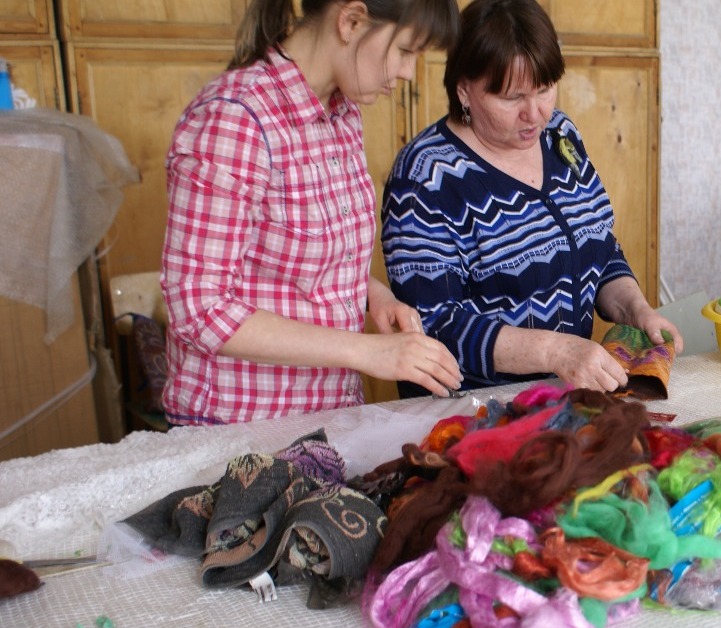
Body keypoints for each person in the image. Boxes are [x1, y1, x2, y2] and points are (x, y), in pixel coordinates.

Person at [161, 0, 464, 426]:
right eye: (405, 51)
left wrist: (374, 295)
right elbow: (199, 308)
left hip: (327, 416)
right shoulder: (235, 118)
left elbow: (295, 262)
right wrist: (367, 351)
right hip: (241, 427)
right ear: (351, 20)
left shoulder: (342, 112)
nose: (408, 73)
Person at [381, 0, 682, 395]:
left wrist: (636, 310)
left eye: (544, 90)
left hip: (562, 399)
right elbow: (434, 326)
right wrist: (554, 351)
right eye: (512, 98)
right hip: (470, 412)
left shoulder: (560, 136)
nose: (535, 114)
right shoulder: (426, 177)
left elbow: (599, 248)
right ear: (464, 90)